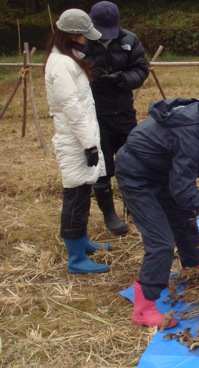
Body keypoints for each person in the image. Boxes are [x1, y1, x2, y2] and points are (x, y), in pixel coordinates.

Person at [115, 84, 199, 328]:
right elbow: (184, 194)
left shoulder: (198, 115)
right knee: (161, 243)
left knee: (184, 217)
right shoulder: (191, 130)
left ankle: (194, 263)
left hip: (158, 168)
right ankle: (144, 309)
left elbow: (182, 156)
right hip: (137, 177)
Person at [44, 9, 110, 274]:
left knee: (83, 192)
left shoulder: (69, 59)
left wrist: (90, 141)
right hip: (74, 141)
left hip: (82, 137)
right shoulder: (60, 65)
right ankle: (76, 259)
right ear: (71, 35)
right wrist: (88, 144)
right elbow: (71, 107)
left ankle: (81, 241)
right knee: (75, 194)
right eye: (84, 35)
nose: (87, 40)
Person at [84, 1, 149, 235]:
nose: (103, 37)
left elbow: (141, 69)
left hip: (124, 111)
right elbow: (75, 72)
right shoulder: (83, 42)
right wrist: (94, 77)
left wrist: (123, 79)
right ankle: (110, 214)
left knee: (131, 161)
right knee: (103, 165)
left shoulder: (129, 40)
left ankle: (134, 206)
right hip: (96, 114)